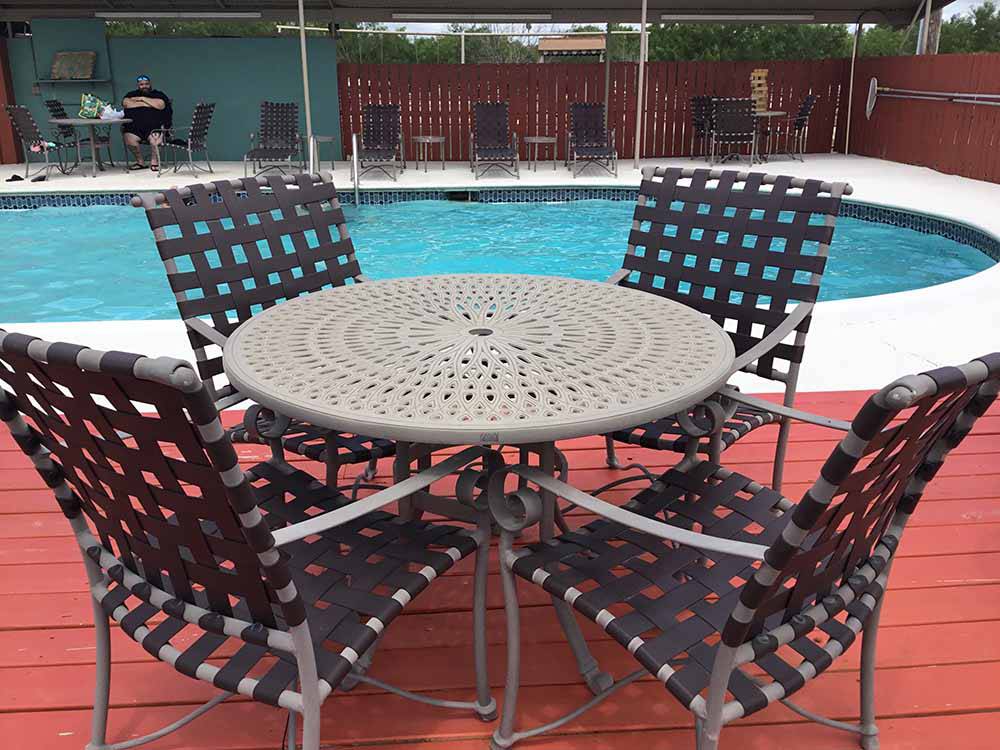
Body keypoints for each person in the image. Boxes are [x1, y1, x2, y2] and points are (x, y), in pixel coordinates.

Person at [122, 75, 172, 171]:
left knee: (156, 140)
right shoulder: (130, 94)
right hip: (134, 128)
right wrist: (150, 104)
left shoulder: (158, 94)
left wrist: (142, 99)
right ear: (138, 85)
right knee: (128, 138)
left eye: (146, 84)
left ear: (150, 84)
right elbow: (126, 104)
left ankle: (154, 162)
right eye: (141, 84)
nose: (144, 86)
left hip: (154, 127)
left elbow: (160, 105)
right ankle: (140, 162)